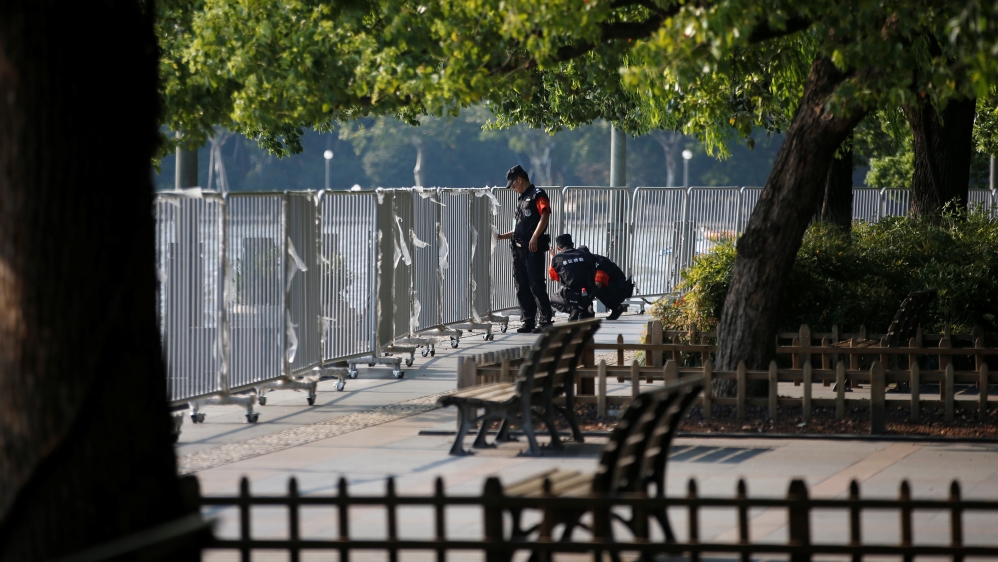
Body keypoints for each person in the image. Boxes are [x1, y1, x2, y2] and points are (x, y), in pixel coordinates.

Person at [495, 165, 553, 333]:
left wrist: (535, 236)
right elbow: (518, 228)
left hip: (532, 248)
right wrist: (500, 236)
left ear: (519, 179)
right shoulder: (521, 199)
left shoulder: (538, 195)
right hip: (518, 248)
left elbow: (545, 214)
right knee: (521, 285)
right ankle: (528, 320)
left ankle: (545, 321)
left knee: (536, 284)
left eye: (513, 184)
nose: (512, 188)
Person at [550, 234, 634, 321]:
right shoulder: (590, 259)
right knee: (589, 292)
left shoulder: (600, 264)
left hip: (619, 290)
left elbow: (598, 285)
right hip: (612, 287)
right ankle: (585, 310)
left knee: (596, 288)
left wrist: (584, 303)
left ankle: (617, 308)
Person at [548, 234, 597, 320]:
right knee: (586, 317)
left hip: (571, 294)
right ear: (573, 244)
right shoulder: (584, 254)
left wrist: (552, 258)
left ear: (558, 248)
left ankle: (572, 309)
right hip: (589, 292)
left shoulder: (557, 258)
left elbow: (552, 277)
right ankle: (586, 308)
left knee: (553, 299)